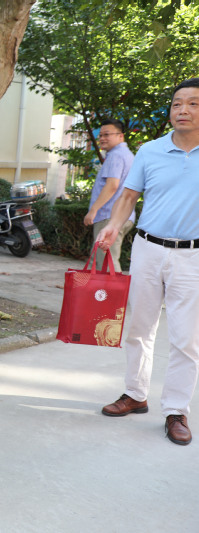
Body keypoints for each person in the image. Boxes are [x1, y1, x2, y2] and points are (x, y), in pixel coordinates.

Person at [97, 78, 199, 446]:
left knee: (186, 338)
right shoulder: (150, 151)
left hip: (193, 256)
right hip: (148, 249)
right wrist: (112, 225)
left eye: (193, 103)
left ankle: (176, 410)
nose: (183, 110)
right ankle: (135, 394)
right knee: (139, 328)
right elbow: (128, 196)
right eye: (177, 103)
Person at [83, 118, 135, 271]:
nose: (102, 138)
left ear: (120, 136)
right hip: (121, 215)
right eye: (100, 135)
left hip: (109, 216)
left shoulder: (116, 155)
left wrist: (93, 210)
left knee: (106, 264)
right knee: (100, 262)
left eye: (107, 134)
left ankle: (114, 289)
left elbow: (112, 185)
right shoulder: (127, 154)